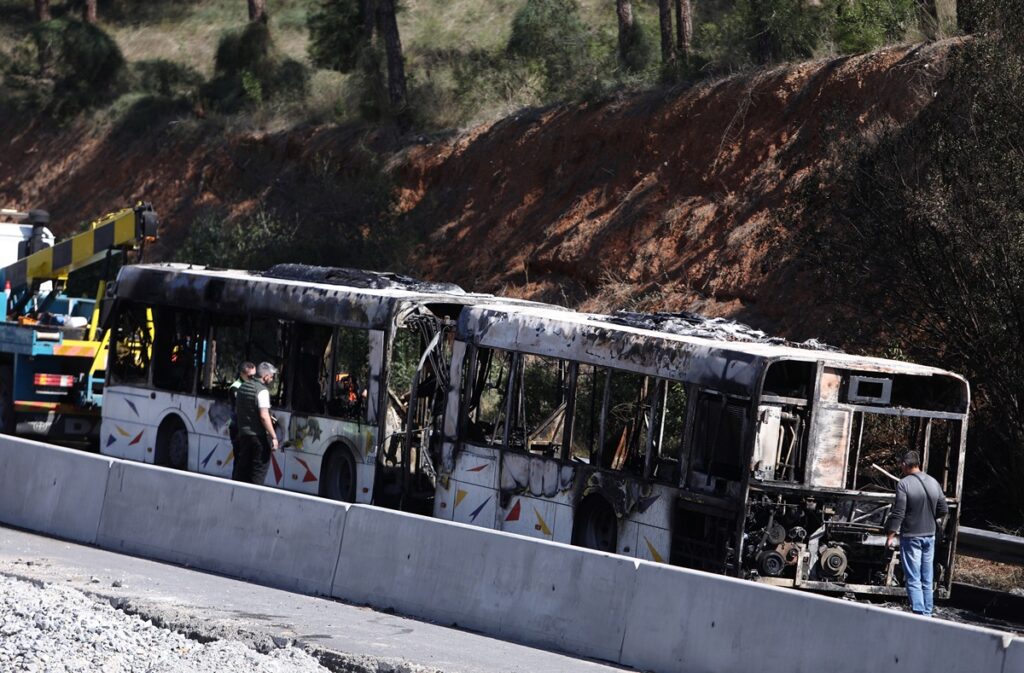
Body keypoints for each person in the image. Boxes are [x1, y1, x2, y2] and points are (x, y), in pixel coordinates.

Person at [885, 450, 949, 616]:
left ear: (905, 465)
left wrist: (891, 535)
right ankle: (927, 612)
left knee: (913, 577)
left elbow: (899, 512)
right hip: (930, 535)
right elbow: (943, 509)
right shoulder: (934, 482)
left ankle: (919, 612)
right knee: (927, 577)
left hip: (911, 536)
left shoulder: (904, 484)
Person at [233, 361, 279, 485]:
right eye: (272, 376)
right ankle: (253, 500)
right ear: (265, 376)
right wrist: (274, 437)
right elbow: (264, 416)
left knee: (242, 472)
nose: (273, 379)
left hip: (243, 436)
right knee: (258, 473)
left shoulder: (242, 387)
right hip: (259, 439)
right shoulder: (262, 391)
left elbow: (241, 411)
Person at [228, 361, 256, 481]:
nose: (252, 379)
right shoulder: (236, 387)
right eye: (250, 376)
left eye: (254, 376)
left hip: (245, 428)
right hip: (237, 428)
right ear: (242, 374)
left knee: (245, 461)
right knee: (239, 460)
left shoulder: (249, 386)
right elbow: (240, 410)